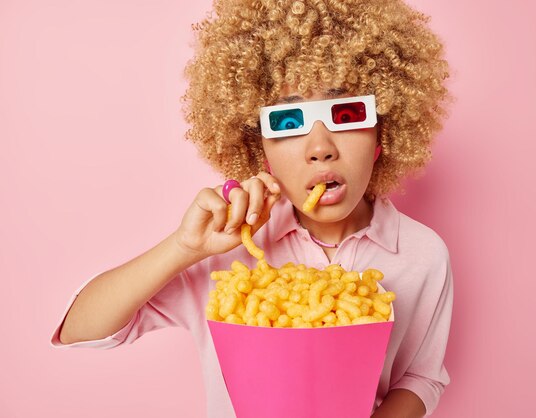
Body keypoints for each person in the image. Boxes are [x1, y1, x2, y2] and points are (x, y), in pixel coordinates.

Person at [50, 0, 455, 416]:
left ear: (381, 136)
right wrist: (185, 248)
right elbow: (82, 331)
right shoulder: (226, 250)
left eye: (347, 114)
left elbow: (421, 377)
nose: (320, 149)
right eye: (286, 122)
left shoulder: (423, 255)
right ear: (259, 151)